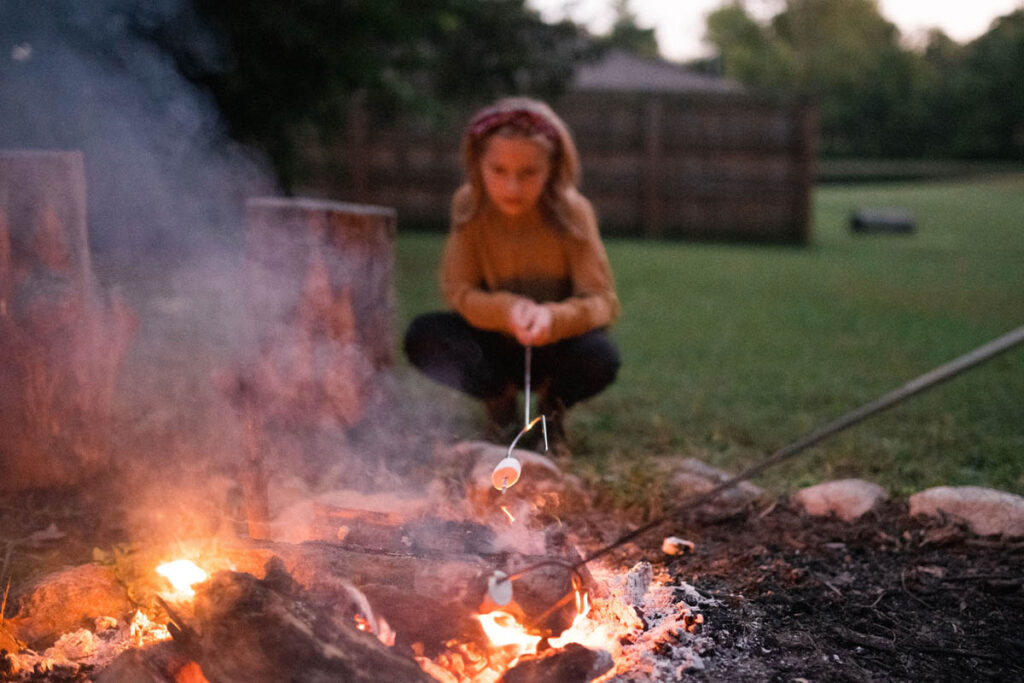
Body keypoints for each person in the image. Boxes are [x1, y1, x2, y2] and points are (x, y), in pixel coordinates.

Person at [403, 97, 620, 461]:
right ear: (477, 164)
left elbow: (603, 301)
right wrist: (508, 310)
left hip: (554, 345)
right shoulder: (469, 207)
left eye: (528, 173)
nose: (512, 187)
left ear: (553, 167)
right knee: (425, 334)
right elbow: (457, 291)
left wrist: (553, 318)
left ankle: (549, 416)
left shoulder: (573, 213)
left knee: (600, 355)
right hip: (494, 345)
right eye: (498, 170)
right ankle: (500, 405)